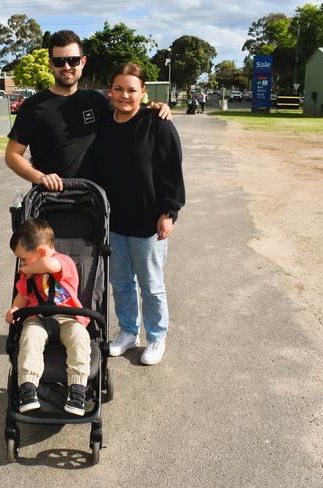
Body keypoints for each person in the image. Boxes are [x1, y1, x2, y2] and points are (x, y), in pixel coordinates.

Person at [92, 62, 185, 366]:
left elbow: (172, 171)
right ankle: (128, 331)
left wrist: (169, 212)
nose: (125, 95)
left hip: (149, 222)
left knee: (151, 284)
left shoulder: (158, 123)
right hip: (114, 222)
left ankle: (157, 336)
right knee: (120, 282)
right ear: (110, 92)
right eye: (119, 89)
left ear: (143, 93)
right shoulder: (104, 123)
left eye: (132, 90)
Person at [5, 30, 171, 191]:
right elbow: (12, 155)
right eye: (59, 61)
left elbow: (126, 111)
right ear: (50, 64)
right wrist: (39, 177)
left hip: (93, 203)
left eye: (73, 60)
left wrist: (155, 108)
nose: (66, 66)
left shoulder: (96, 101)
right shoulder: (33, 106)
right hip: (51, 202)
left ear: (83, 62)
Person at [5, 218, 92, 416]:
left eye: (24, 259)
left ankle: (77, 389)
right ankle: (28, 387)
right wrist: (14, 309)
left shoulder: (64, 263)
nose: (21, 264)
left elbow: (50, 265)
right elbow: (22, 296)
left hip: (69, 317)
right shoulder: (27, 275)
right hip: (38, 318)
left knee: (79, 337)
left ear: (42, 252)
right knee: (29, 337)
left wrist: (28, 269)